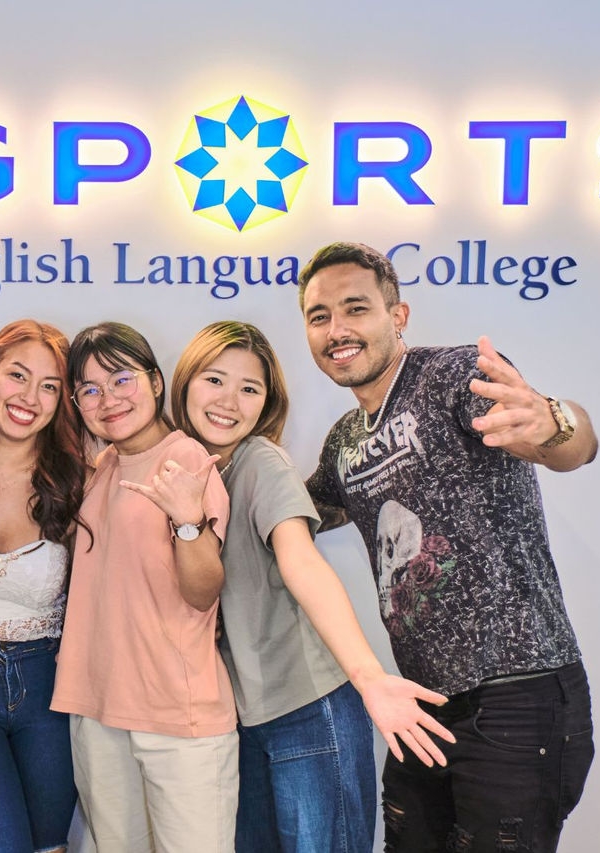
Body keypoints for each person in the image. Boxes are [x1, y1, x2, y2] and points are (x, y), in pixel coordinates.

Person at [299, 241, 598, 852]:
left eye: (355, 309)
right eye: (319, 316)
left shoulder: (458, 376)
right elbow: (287, 520)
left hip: (518, 695)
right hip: (422, 705)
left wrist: (552, 421)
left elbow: (571, 444)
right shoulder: (343, 444)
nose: (337, 330)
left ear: (397, 315)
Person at [169, 320, 454, 853]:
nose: (229, 401)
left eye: (249, 389)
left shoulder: (260, 462)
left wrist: (369, 678)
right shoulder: (195, 476)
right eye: (214, 380)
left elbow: (300, 561)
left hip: (307, 710)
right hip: (242, 716)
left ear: (266, 403)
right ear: (184, 382)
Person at [50, 321, 236, 853]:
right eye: (89, 389)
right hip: (97, 707)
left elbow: (203, 592)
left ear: (155, 382)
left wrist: (187, 521)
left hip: (178, 715)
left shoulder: (190, 461)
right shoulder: (101, 466)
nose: (108, 398)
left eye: (121, 379)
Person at [0, 319, 86, 853]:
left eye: (49, 386)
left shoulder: (76, 482)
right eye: (17, 376)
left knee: (51, 847)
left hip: (50, 689)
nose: (30, 397)